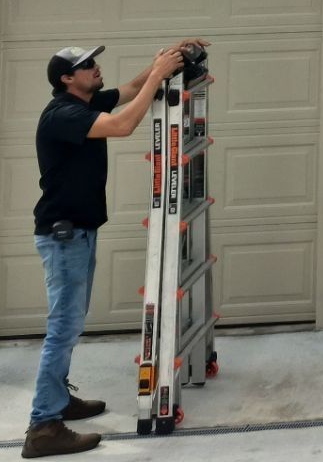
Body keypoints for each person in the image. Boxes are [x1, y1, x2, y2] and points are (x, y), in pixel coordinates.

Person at [22, 39, 207, 459]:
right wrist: (159, 75)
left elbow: (128, 90)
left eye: (94, 62)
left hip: (78, 232)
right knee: (62, 329)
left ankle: (58, 402)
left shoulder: (85, 102)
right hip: (63, 235)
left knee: (70, 323)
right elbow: (124, 124)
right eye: (86, 65)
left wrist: (165, 60)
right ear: (67, 79)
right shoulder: (63, 115)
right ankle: (42, 427)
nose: (95, 68)